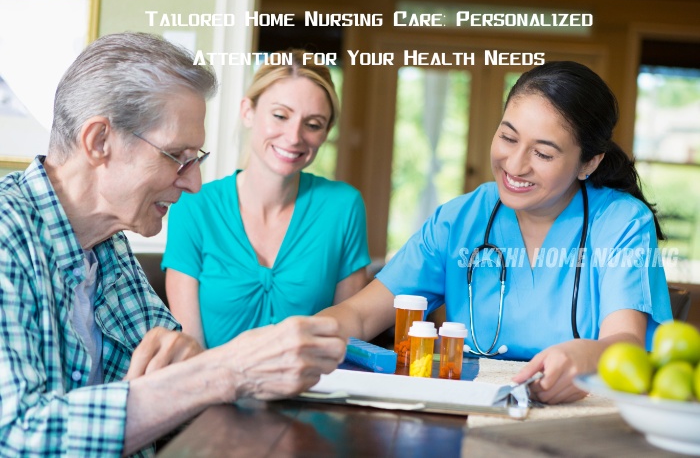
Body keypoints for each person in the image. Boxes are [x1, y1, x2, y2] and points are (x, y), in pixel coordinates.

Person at [0, 32, 345, 457]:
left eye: (195, 159)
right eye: (177, 157)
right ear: (99, 142)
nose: (195, 183)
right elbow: (18, 436)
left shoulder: (107, 245)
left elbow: (179, 366)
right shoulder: (6, 235)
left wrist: (187, 369)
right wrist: (218, 371)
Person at [317, 61, 672, 404]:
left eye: (543, 154)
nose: (515, 165)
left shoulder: (622, 221)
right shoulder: (458, 220)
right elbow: (360, 315)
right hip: (469, 409)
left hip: (585, 420)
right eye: (507, 137)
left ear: (589, 163)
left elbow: (626, 342)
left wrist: (588, 354)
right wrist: (295, 335)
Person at [162, 49, 370, 349]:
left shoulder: (344, 207)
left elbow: (346, 342)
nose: (294, 136)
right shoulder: (193, 206)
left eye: (313, 124)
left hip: (314, 393)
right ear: (248, 111)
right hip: (213, 390)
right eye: (280, 115)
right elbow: (190, 348)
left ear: (326, 133)